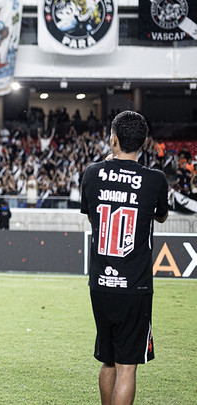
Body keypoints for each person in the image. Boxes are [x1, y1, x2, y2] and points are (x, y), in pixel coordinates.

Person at [80, 111, 169, 405]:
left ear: (113, 139)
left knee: (107, 360)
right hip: (135, 286)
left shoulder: (92, 173)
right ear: (144, 142)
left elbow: (94, 217)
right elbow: (162, 215)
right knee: (127, 366)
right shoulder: (155, 180)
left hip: (101, 283)